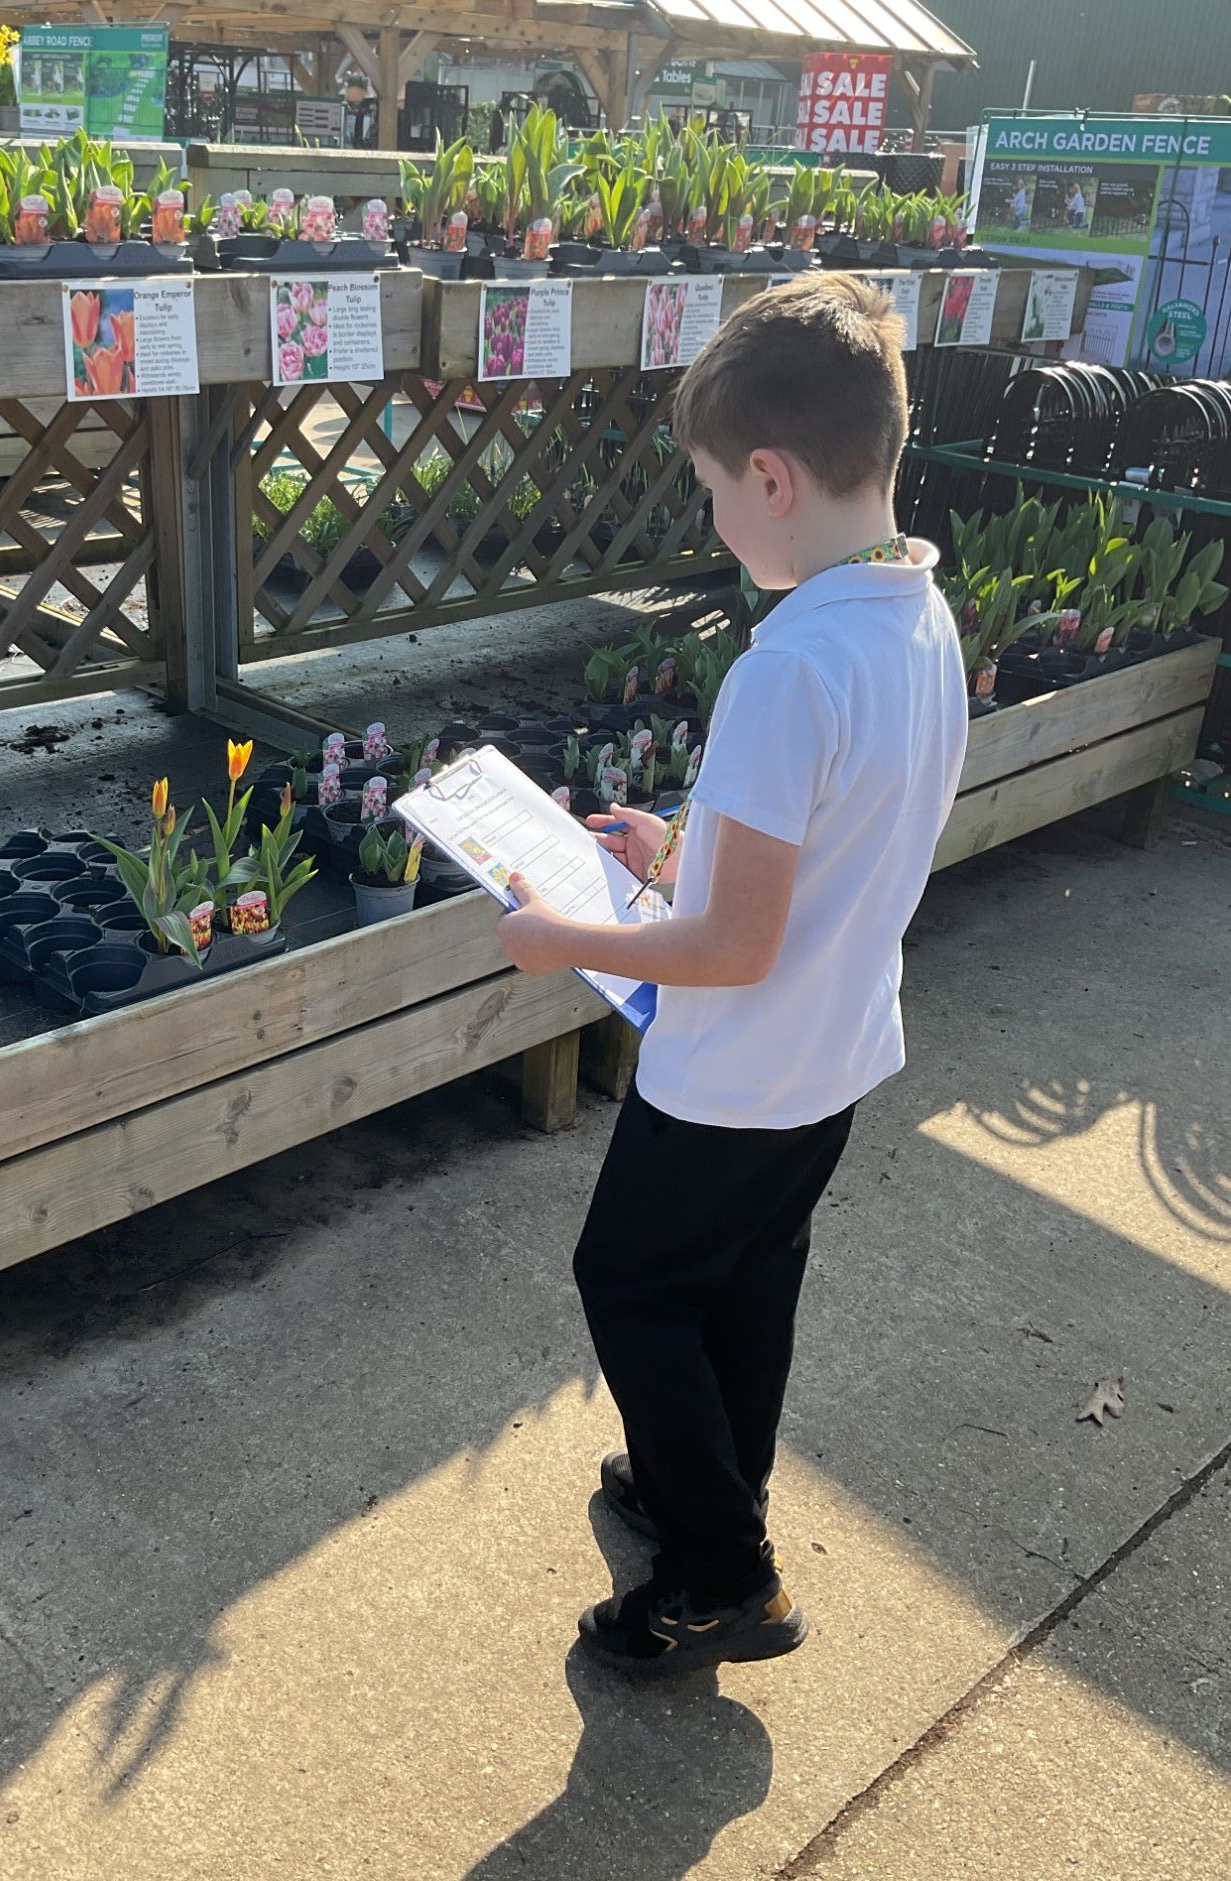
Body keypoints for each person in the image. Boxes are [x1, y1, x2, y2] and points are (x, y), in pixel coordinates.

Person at [496, 276, 968, 1677]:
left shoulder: (786, 668)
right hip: (830, 1056)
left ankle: (721, 1576)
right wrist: (681, 842)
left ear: (769, 477)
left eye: (711, 491)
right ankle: (710, 1484)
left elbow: (729, 949)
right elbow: (828, 834)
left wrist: (559, 936)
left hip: (733, 1071)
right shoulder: (913, 617)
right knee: (748, 1286)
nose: (710, 521)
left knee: (631, 1283)